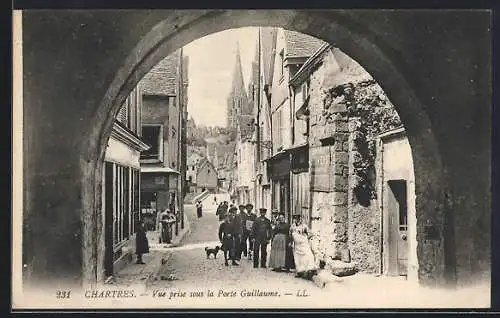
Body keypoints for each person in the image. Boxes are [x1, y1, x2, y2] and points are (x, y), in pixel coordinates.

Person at [290, 215, 316, 279]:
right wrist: (291, 241)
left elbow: (310, 233)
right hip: (296, 245)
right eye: (295, 219)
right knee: (298, 258)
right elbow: (290, 234)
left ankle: (309, 269)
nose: (296, 220)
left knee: (307, 255)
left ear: (300, 219)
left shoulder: (304, 226)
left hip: (304, 245)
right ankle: (299, 271)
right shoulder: (292, 227)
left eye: (297, 218)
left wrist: (305, 239)